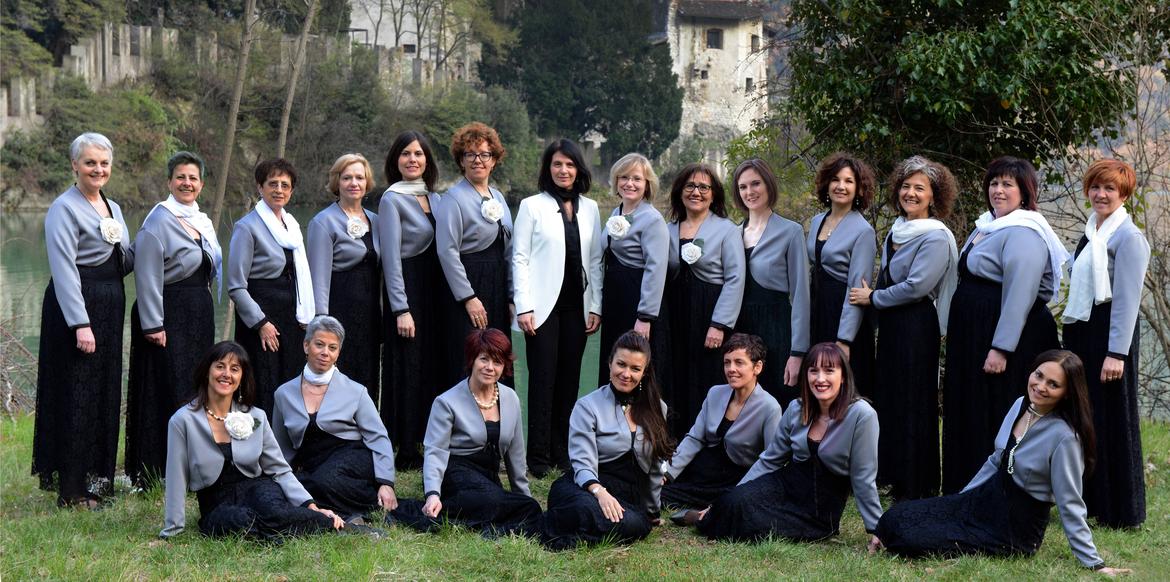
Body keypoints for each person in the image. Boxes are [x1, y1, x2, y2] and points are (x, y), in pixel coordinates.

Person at [875, 351, 1130, 575]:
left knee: (909, 538)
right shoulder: (1021, 405)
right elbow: (995, 460)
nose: (1041, 386)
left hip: (1014, 529)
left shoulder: (1065, 438)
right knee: (895, 516)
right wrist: (959, 501)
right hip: (985, 501)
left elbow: (1070, 502)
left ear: (1067, 393)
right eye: (1039, 375)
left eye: (1053, 384)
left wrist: (1094, 563)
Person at [942, 156, 1069, 493]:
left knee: (994, 407)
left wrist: (1001, 348)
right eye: (994, 183)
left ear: (1024, 192)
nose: (998, 190)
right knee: (970, 404)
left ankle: (992, 489)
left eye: (1007, 184)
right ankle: (963, 484)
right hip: (975, 330)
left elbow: (1020, 294)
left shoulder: (1025, 232)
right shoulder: (988, 225)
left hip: (1005, 336)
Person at [692, 342, 882, 546]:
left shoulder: (862, 415)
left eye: (829, 371)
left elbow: (863, 476)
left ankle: (707, 518)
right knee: (733, 502)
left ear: (843, 376)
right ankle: (704, 514)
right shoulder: (796, 408)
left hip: (817, 510)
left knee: (751, 526)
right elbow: (770, 460)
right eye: (813, 371)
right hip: (784, 486)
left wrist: (877, 528)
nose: (820, 379)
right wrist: (734, 494)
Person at [33, 132, 134, 508]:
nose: (98, 169)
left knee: (102, 391)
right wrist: (80, 323)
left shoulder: (114, 207)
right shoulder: (63, 208)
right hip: (77, 309)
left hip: (110, 308)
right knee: (76, 393)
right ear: (75, 165)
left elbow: (123, 259)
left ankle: (96, 478)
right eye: (90, 162)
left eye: (104, 163)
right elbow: (64, 270)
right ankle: (71, 489)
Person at [849, 155, 958, 500]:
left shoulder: (936, 237)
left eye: (920, 188)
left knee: (913, 401)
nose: (911, 193)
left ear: (934, 195)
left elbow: (916, 287)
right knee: (892, 398)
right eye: (906, 186)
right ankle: (892, 475)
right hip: (893, 326)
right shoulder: (897, 230)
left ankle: (916, 483)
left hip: (916, 325)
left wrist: (873, 297)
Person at [160, 341, 345, 539]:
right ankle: (303, 526)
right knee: (242, 522)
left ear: (241, 377)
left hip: (256, 489)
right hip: (216, 503)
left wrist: (311, 506)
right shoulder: (183, 420)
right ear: (207, 371)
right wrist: (173, 529)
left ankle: (325, 522)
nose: (226, 374)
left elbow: (279, 469)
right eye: (220, 366)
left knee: (274, 511)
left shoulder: (256, 417)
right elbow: (176, 476)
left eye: (234, 369)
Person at [1062, 159, 1150, 528]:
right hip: (1083, 330)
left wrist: (1117, 353)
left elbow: (1127, 300)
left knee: (1113, 416)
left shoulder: (1128, 238)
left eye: (1109, 189)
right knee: (1087, 414)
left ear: (1123, 194)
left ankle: (1121, 510)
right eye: (1096, 187)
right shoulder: (1091, 231)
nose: (1101, 194)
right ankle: (1092, 500)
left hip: (1111, 335)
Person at [125, 151, 220, 488]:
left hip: (198, 314)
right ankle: (156, 469)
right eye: (180, 177)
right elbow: (146, 273)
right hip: (167, 315)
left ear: (202, 184)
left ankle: (193, 464)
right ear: (169, 182)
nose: (187, 183)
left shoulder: (202, 221)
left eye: (193, 178)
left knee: (195, 387)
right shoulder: (158, 220)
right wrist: (153, 324)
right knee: (166, 387)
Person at [393, 329, 541, 536]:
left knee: (528, 507)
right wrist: (432, 494)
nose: (490, 367)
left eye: (497, 362)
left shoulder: (511, 398)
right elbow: (435, 452)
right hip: (456, 473)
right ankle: (424, 510)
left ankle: (485, 523)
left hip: (488, 478)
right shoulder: (446, 402)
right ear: (472, 360)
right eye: (484, 359)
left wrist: (523, 496)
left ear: (504, 366)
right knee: (493, 501)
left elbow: (515, 453)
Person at [513, 139, 605, 476]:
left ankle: (562, 451)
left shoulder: (591, 208)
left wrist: (595, 305)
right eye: (557, 164)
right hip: (541, 307)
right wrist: (523, 306)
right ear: (548, 168)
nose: (563, 170)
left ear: (578, 169)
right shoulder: (531, 206)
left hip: (577, 307)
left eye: (569, 164)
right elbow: (519, 259)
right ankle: (537, 456)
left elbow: (595, 261)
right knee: (542, 379)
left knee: (569, 381)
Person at [541, 331, 674, 550]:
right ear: (610, 362)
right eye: (621, 364)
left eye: (635, 368)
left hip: (628, 497)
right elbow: (582, 462)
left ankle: (573, 531)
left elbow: (655, 468)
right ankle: (573, 526)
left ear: (644, 372)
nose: (626, 374)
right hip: (585, 488)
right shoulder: (587, 406)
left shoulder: (657, 407)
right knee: (583, 506)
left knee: (635, 525)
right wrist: (599, 492)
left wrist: (652, 512)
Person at [271, 316, 398, 521]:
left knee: (324, 481)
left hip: (352, 456)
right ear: (306, 346)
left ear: (338, 353)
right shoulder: (283, 394)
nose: (325, 352)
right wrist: (282, 479)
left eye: (332, 348)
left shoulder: (356, 391)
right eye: (319, 344)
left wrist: (386, 483)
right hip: (313, 463)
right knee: (296, 487)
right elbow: (280, 447)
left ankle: (371, 508)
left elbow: (378, 437)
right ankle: (346, 513)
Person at [378, 130, 449, 469]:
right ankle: (405, 448)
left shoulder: (436, 199)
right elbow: (391, 259)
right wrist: (400, 308)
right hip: (407, 289)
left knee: (430, 365)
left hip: (435, 291)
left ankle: (427, 438)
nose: (412, 159)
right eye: (405, 153)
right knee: (407, 365)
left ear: (427, 160)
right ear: (396, 160)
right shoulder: (391, 199)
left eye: (418, 154)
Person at [228, 158, 315, 415]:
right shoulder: (247, 227)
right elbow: (236, 286)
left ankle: (288, 437)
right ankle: (260, 436)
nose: (279, 190)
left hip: (291, 318)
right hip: (261, 319)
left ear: (292, 191)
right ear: (260, 187)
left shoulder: (292, 227)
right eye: (272, 183)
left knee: (290, 382)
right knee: (263, 383)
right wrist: (261, 323)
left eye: (285, 185)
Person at [665, 163, 746, 437]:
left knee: (707, 377)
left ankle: (708, 439)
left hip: (709, 313)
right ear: (680, 191)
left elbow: (735, 279)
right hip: (675, 314)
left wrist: (719, 324)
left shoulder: (727, 230)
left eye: (703, 187)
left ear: (713, 195)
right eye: (690, 186)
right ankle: (674, 439)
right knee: (675, 374)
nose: (696, 192)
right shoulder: (667, 229)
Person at [661, 333, 781, 511]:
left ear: (757, 367)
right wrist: (667, 473)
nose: (731, 369)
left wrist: (742, 491)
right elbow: (695, 438)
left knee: (727, 505)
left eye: (739, 362)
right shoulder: (715, 393)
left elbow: (771, 460)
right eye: (727, 362)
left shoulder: (770, 407)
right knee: (656, 492)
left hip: (737, 479)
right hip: (703, 472)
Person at [435, 122, 515, 388]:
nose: (477, 160)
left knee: (497, 353)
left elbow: (508, 251)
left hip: (497, 287)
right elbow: (447, 251)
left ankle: (498, 410)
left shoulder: (499, 197)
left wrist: (511, 296)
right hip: (469, 288)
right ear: (461, 160)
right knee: (470, 355)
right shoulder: (453, 199)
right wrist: (468, 297)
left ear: (494, 160)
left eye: (484, 154)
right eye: (470, 154)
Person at [733, 159, 809, 405]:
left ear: (768, 185)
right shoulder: (732, 233)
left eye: (756, 183)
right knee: (743, 404)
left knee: (779, 402)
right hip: (740, 330)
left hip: (777, 330)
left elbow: (801, 295)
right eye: (743, 186)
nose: (750, 191)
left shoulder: (791, 231)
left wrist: (797, 352)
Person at [307, 153, 381, 400]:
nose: (354, 183)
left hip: (370, 312)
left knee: (369, 371)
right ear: (337, 182)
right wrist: (323, 321)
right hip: (341, 308)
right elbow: (318, 277)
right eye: (347, 177)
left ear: (367, 182)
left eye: (359, 177)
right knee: (341, 372)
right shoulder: (323, 222)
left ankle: (368, 419)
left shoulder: (376, 221)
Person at [596, 153, 670, 387]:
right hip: (615, 301)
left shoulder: (652, 219)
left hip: (637, 301)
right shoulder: (616, 213)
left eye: (637, 178)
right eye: (624, 177)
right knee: (614, 362)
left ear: (647, 184)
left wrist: (645, 317)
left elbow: (656, 269)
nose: (630, 183)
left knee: (635, 363)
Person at [806, 153, 876, 397]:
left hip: (843, 317)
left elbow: (857, 289)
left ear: (859, 189)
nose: (841, 186)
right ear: (827, 184)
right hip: (818, 310)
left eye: (848, 181)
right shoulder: (817, 221)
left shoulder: (863, 231)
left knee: (843, 389)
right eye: (836, 179)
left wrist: (844, 340)